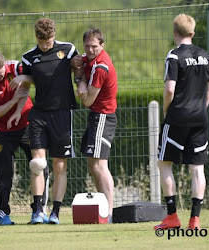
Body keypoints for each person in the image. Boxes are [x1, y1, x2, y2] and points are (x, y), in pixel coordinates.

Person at [10, 18, 86, 224]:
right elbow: (26, 86)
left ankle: (56, 212)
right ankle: (37, 211)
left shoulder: (68, 50)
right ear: (36, 38)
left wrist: (80, 82)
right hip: (39, 114)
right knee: (37, 163)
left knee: (59, 165)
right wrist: (18, 108)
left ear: (54, 36)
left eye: (49, 41)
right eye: (42, 42)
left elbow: (79, 67)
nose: (46, 45)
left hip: (62, 113)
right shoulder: (28, 57)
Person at [153, 14, 209, 230]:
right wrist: (200, 110)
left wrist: (167, 110)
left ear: (174, 33)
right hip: (200, 118)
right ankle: (195, 220)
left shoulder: (174, 56)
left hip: (177, 117)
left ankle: (172, 217)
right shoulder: (207, 56)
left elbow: (170, 89)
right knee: (197, 169)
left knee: (164, 163)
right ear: (193, 33)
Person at [0, 51, 49, 225]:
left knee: (40, 166)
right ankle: (3, 214)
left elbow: (33, 81)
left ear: (4, 64)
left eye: (0, 69)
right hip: (3, 131)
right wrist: (12, 103)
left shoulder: (15, 67)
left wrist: (18, 110)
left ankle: (39, 210)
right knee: (4, 174)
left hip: (27, 126)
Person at [78, 28, 118, 223]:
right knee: (93, 164)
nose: (90, 49)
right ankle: (104, 207)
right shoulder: (88, 59)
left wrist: (81, 83)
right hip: (96, 116)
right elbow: (77, 63)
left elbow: (86, 101)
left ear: (102, 45)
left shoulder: (100, 67)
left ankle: (109, 212)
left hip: (103, 116)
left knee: (100, 165)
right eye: (87, 46)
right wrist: (80, 76)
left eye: (94, 46)